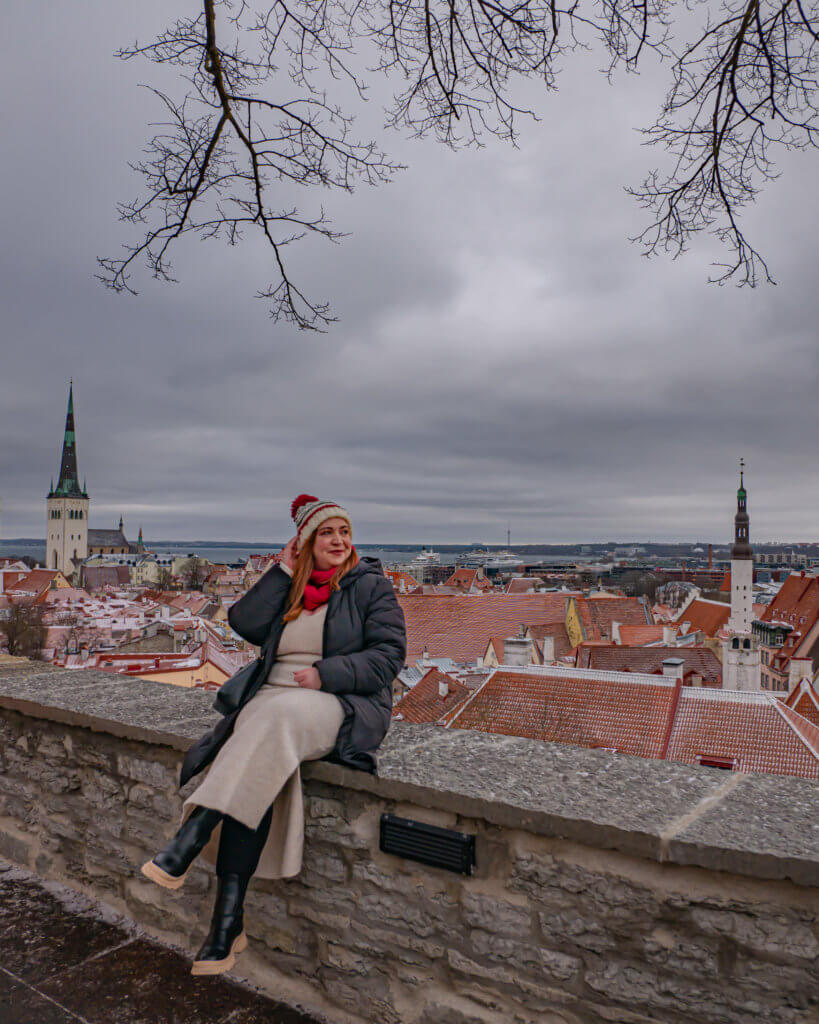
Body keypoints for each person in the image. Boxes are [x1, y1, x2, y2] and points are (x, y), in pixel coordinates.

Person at [139, 495, 406, 975]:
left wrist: (327, 673)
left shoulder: (371, 587)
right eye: (327, 533)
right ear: (306, 542)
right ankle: (226, 925)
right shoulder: (293, 586)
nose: (339, 542)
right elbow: (243, 624)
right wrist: (282, 571)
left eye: (344, 532)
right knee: (258, 769)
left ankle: (192, 835)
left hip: (339, 703)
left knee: (268, 721)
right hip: (273, 705)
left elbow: (389, 658)